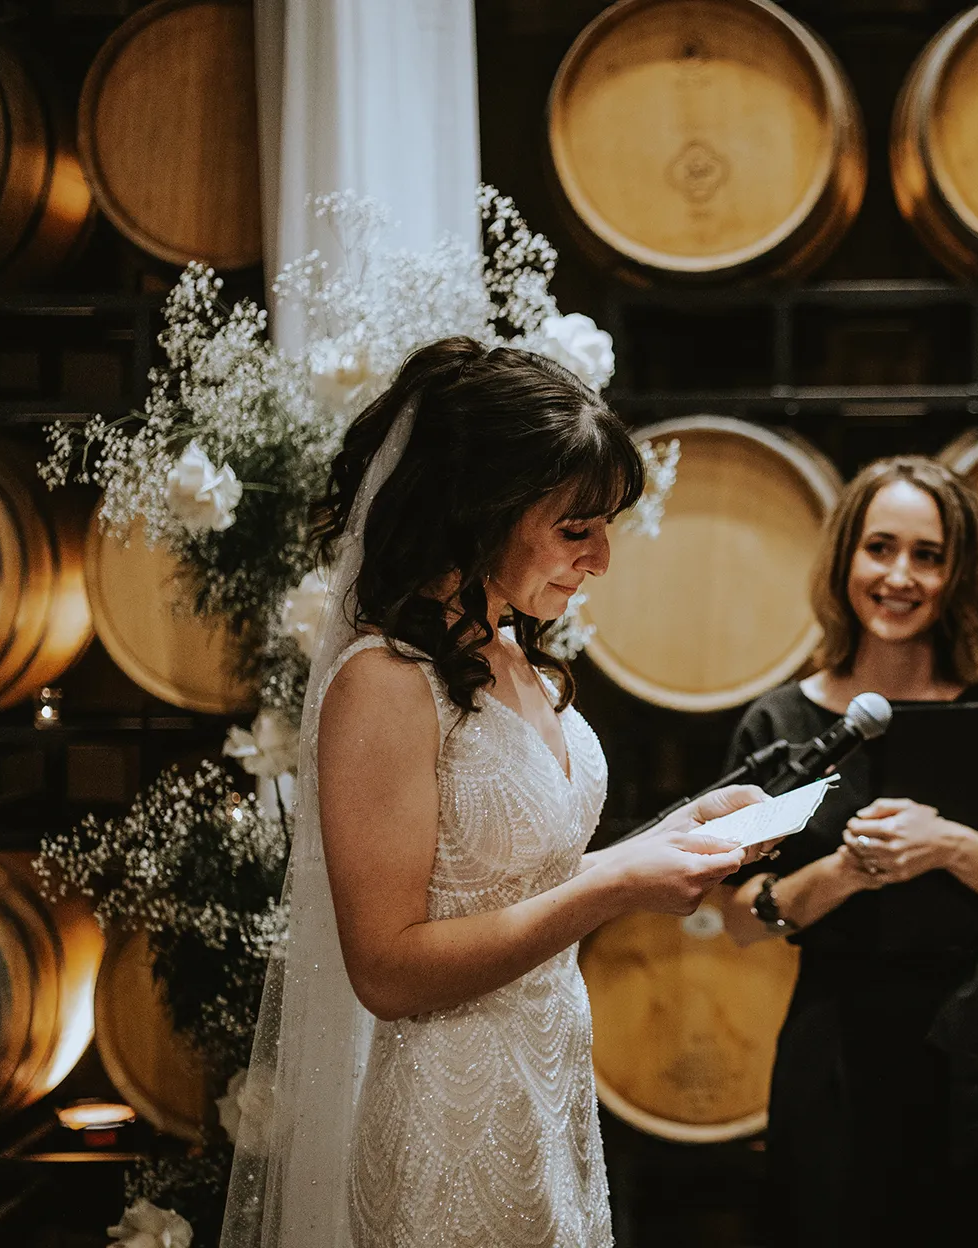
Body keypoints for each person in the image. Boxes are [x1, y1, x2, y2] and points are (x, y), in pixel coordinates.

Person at [218, 338, 768, 1248]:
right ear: (483, 512)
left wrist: (675, 833)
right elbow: (388, 970)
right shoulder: (386, 682)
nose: (599, 561)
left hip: (547, 1087)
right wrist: (621, 887)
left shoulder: (514, 658)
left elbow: (520, 879)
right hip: (451, 1111)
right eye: (575, 528)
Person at [714, 456, 978, 1247]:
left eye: (928, 555)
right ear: (845, 560)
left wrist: (951, 846)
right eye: (881, 548)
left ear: (958, 572)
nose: (901, 575)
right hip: (835, 1055)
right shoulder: (780, 724)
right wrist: (845, 872)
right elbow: (739, 918)